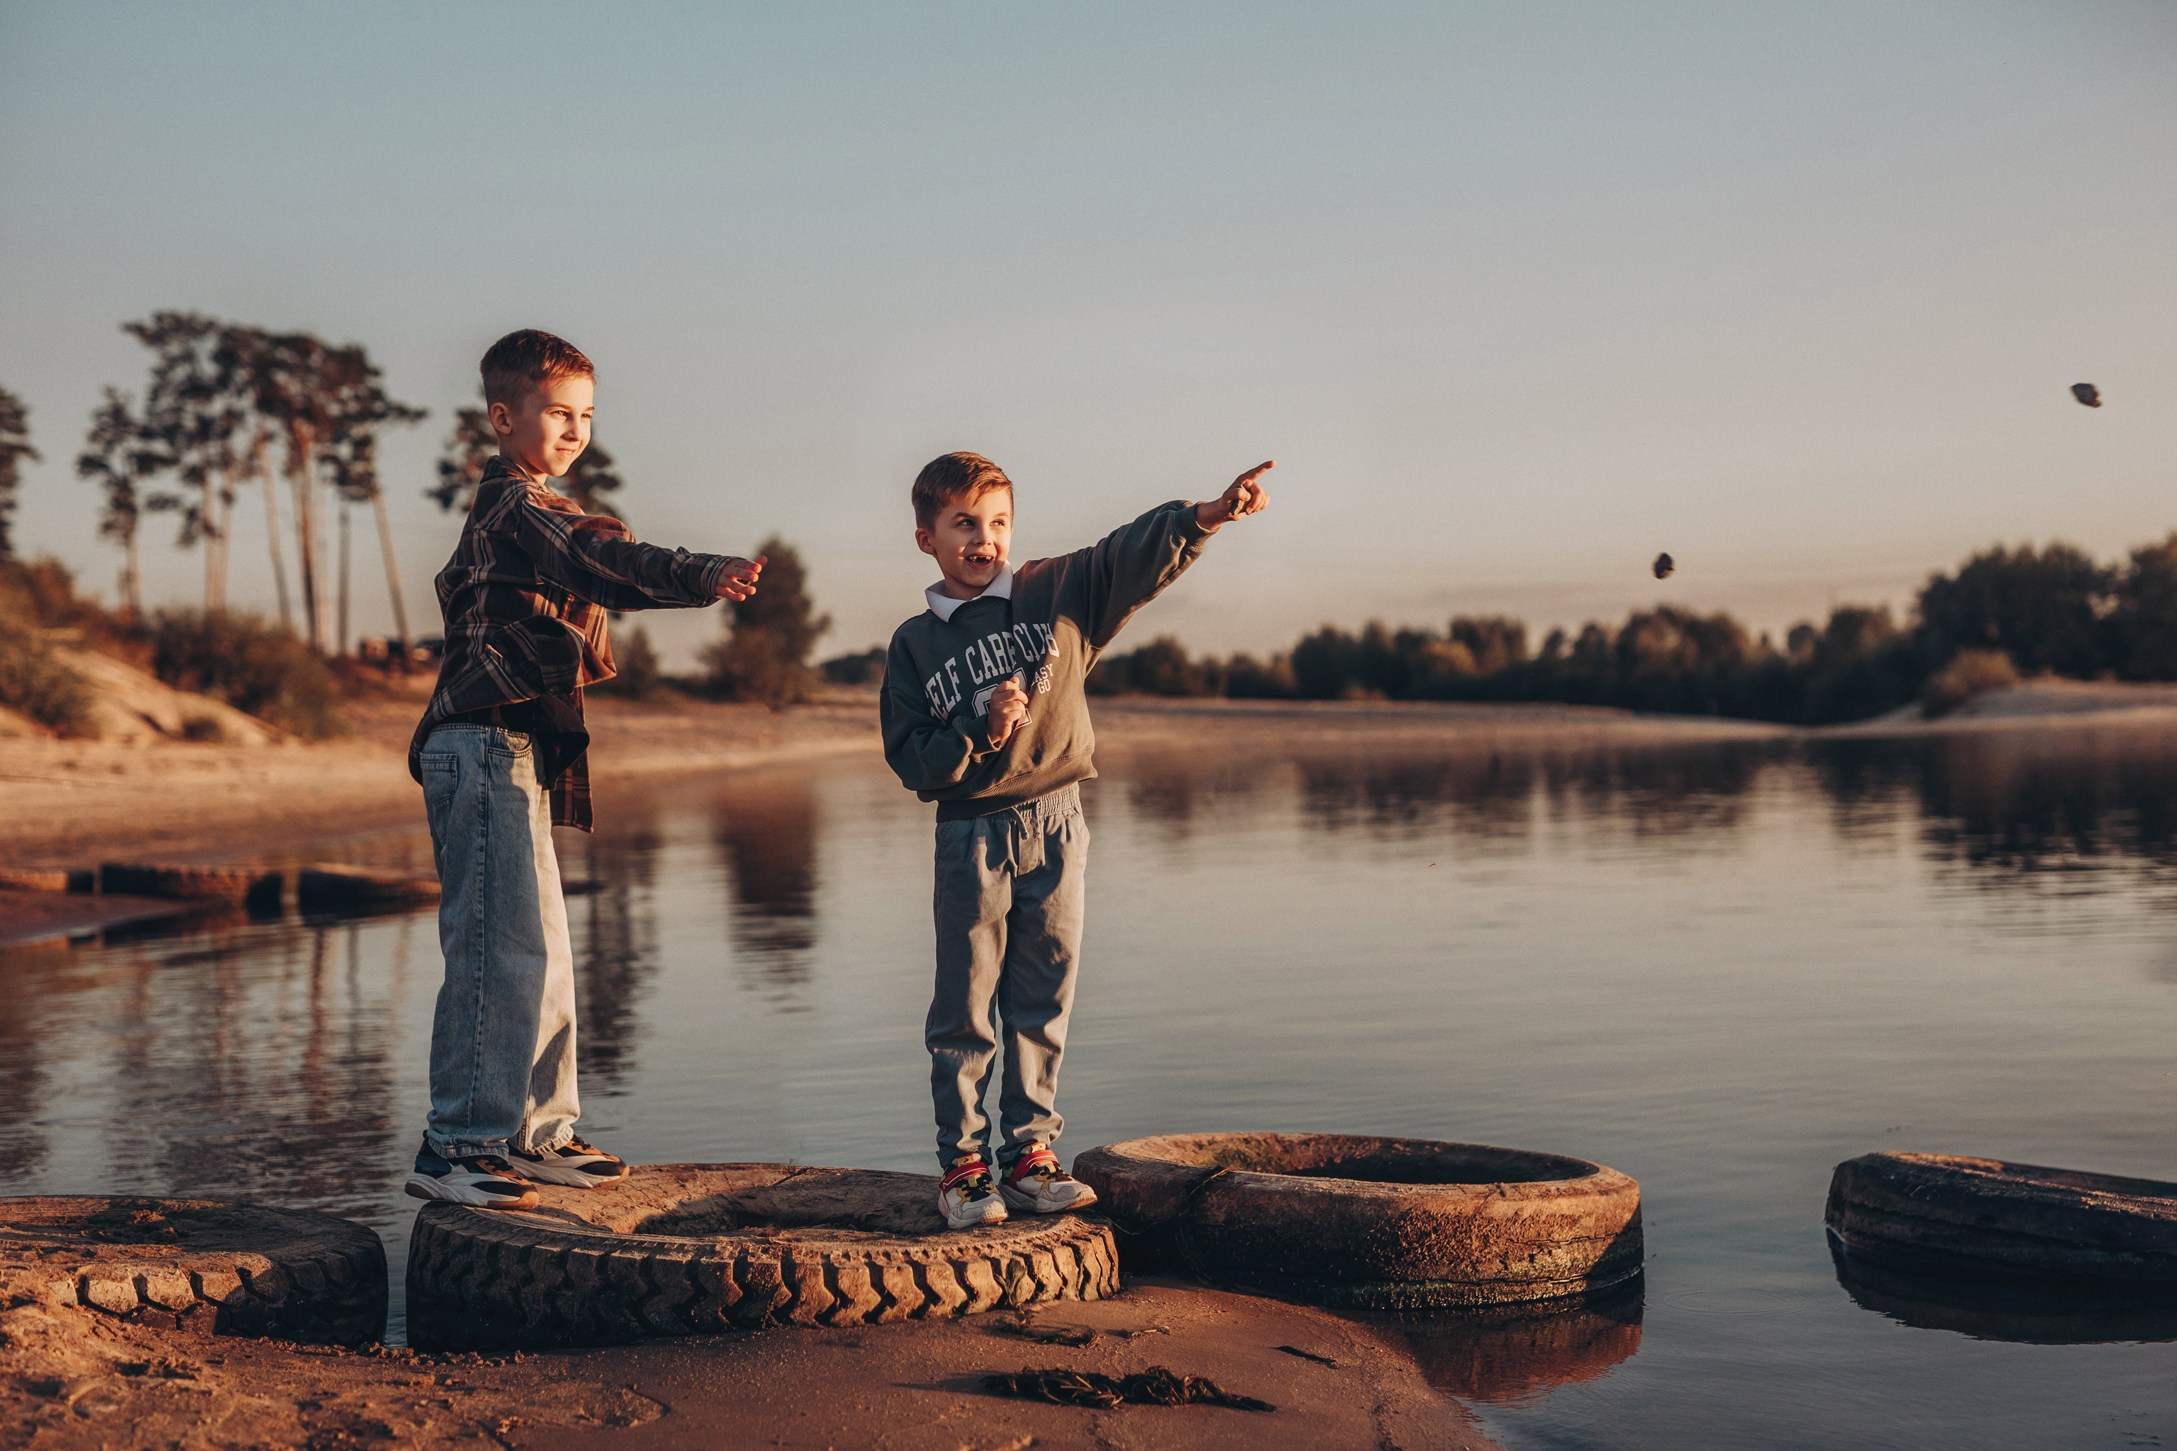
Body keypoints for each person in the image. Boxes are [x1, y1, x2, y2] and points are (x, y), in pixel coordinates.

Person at [403, 329, 765, 1209]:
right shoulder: (516, 506)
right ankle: (456, 1142)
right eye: (557, 413)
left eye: (586, 416)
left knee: (547, 952)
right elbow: (599, 559)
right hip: (481, 742)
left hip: (513, 746)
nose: (575, 430)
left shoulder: (542, 506)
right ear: (503, 417)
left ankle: (536, 1133)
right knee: (497, 949)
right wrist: (700, 573)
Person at [881, 450, 1273, 1228]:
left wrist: (1205, 516)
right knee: (963, 1008)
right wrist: (978, 729)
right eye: (963, 524)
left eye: (996, 523)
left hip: (1058, 822)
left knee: (1043, 995)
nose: (983, 539)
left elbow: (1125, 555)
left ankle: (1029, 1158)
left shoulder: (1053, 593)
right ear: (926, 537)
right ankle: (963, 1168)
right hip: (971, 834)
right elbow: (910, 757)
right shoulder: (913, 645)